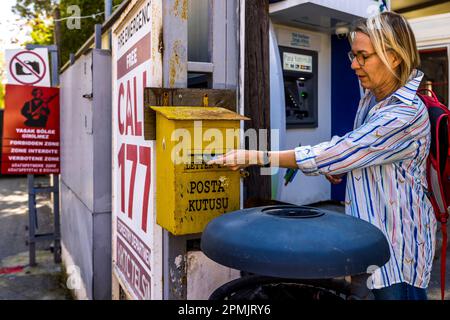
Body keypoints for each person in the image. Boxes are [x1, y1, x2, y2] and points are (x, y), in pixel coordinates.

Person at [208, 12, 436, 300]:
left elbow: (342, 151)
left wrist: (256, 155)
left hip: (398, 251)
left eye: (363, 56)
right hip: (370, 241)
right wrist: (347, 166)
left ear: (393, 58)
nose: (354, 65)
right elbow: (360, 150)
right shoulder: (373, 99)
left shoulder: (403, 114)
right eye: (353, 55)